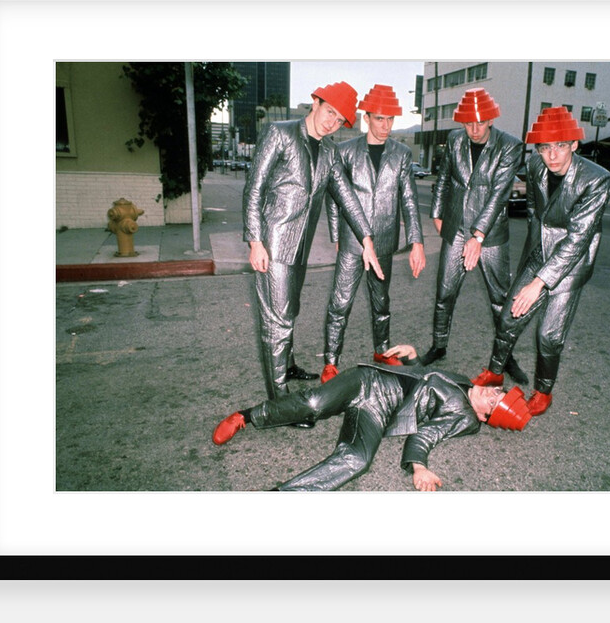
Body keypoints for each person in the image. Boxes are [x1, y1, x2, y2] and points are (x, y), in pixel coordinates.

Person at [211, 344, 533, 491]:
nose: (491, 391)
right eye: (497, 391)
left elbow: (425, 435)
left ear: (486, 416)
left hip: (378, 410)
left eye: (495, 399)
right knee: (313, 403)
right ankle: (247, 416)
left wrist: (419, 467)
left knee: (357, 459)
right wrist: (413, 356)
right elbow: (425, 377)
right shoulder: (465, 380)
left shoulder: (465, 418)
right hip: (369, 381)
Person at [243, 82, 385, 405]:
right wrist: (255, 240)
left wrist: (366, 238)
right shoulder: (279, 134)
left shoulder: (331, 153)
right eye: (330, 112)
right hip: (274, 244)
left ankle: (287, 366)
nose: (331, 122)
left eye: (339, 120)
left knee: (289, 311)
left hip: (300, 248)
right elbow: (253, 189)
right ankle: (280, 403)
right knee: (277, 323)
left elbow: (348, 198)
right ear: (316, 102)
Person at [472, 106, 610, 416]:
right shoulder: (536, 166)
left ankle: (544, 391)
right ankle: (496, 371)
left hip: (572, 263)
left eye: (561, 145)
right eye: (546, 147)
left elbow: (577, 239)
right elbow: (536, 210)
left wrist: (538, 283)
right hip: (540, 253)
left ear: (575, 144)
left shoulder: (597, 180)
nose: (553, 155)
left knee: (548, 335)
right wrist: (533, 261)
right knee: (510, 314)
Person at [420, 88, 529, 387]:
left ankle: (506, 357)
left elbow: (499, 194)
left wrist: (478, 235)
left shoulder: (510, 146)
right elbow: (444, 178)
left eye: (480, 123)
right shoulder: (455, 140)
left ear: (491, 120)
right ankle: (439, 345)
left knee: (499, 299)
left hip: (490, 235)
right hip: (455, 227)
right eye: (469, 123)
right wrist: (437, 214)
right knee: (445, 293)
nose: (474, 129)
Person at [320, 84, 426, 384]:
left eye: (391, 119)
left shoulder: (402, 154)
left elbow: (408, 200)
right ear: (367, 118)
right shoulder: (346, 151)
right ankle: (330, 361)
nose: (386, 126)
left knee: (381, 301)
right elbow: (334, 197)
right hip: (352, 242)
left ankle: (382, 350)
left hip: (384, 242)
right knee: (341, 302)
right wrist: (336, 233)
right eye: (380, 119)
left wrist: (417, 242)